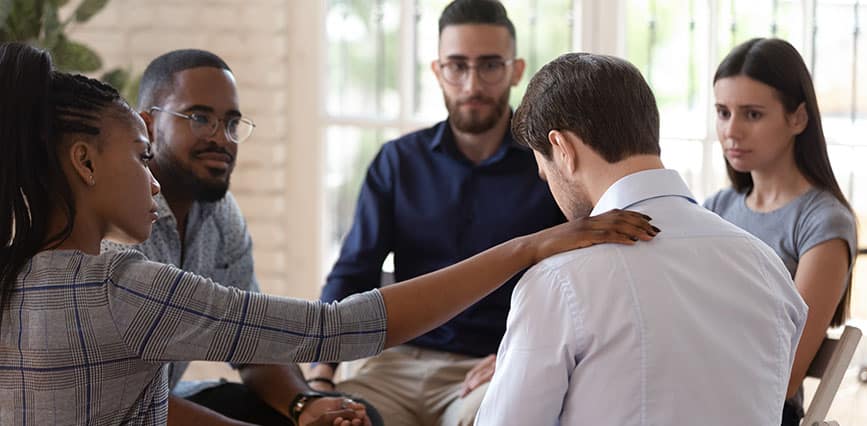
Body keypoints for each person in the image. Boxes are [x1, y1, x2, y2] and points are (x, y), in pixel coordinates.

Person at [0, 42, 657, 425]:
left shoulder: (22, 270)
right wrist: (532, 245)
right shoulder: (122, 283)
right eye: (140, 156)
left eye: (232, 121)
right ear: (85, 163)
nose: (150, 178)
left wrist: (301, 404)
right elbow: (333, 326)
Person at [475, 53, 808, 425]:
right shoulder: (767, 268)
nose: (549, 185)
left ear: (563, 150)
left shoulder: (559, 281)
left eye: (545, 171)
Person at [311, 1, 566, 424]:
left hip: (493, 363)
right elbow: (353, 273)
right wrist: (320, 378)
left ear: (517, 70)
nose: (471, 84)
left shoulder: (550, 167)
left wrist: (521, 353)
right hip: (396, 364)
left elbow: (578, 278)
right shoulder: (398, 163)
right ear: (437, 71)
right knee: (341, 419)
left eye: (489, 66)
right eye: (456, 66)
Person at [100, 49, 379, 426]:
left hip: (169, 401)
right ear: (148, 125)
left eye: (231, 123)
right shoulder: (115, 220)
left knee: (351, 416)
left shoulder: (220, 213)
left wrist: (305, 404)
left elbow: (252, 344)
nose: (221, 138)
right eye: (200, 118)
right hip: (115, 412)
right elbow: (125, 400)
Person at [703, 38, 858, 425]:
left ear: (798, 119)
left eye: (752, 115)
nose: (732, 131)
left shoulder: (823, 222)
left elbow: (783, 378)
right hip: (698, 395)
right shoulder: (717, 208)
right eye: (723, 113)